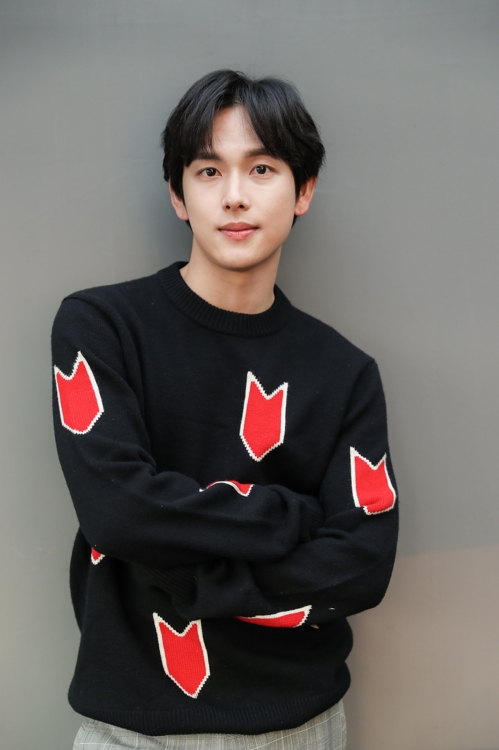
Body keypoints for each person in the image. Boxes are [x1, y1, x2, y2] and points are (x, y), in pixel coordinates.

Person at [52, 69, 398, 750]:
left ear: (303, 190)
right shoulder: (102, 327)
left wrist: (188, 576)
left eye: (262, 168)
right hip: (135, 732)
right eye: (208, 171)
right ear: (177, 194)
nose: (235, 195)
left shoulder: (344, 372)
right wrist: (290, 515)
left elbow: (362, 564)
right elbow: (118, 513)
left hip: (304, 728)